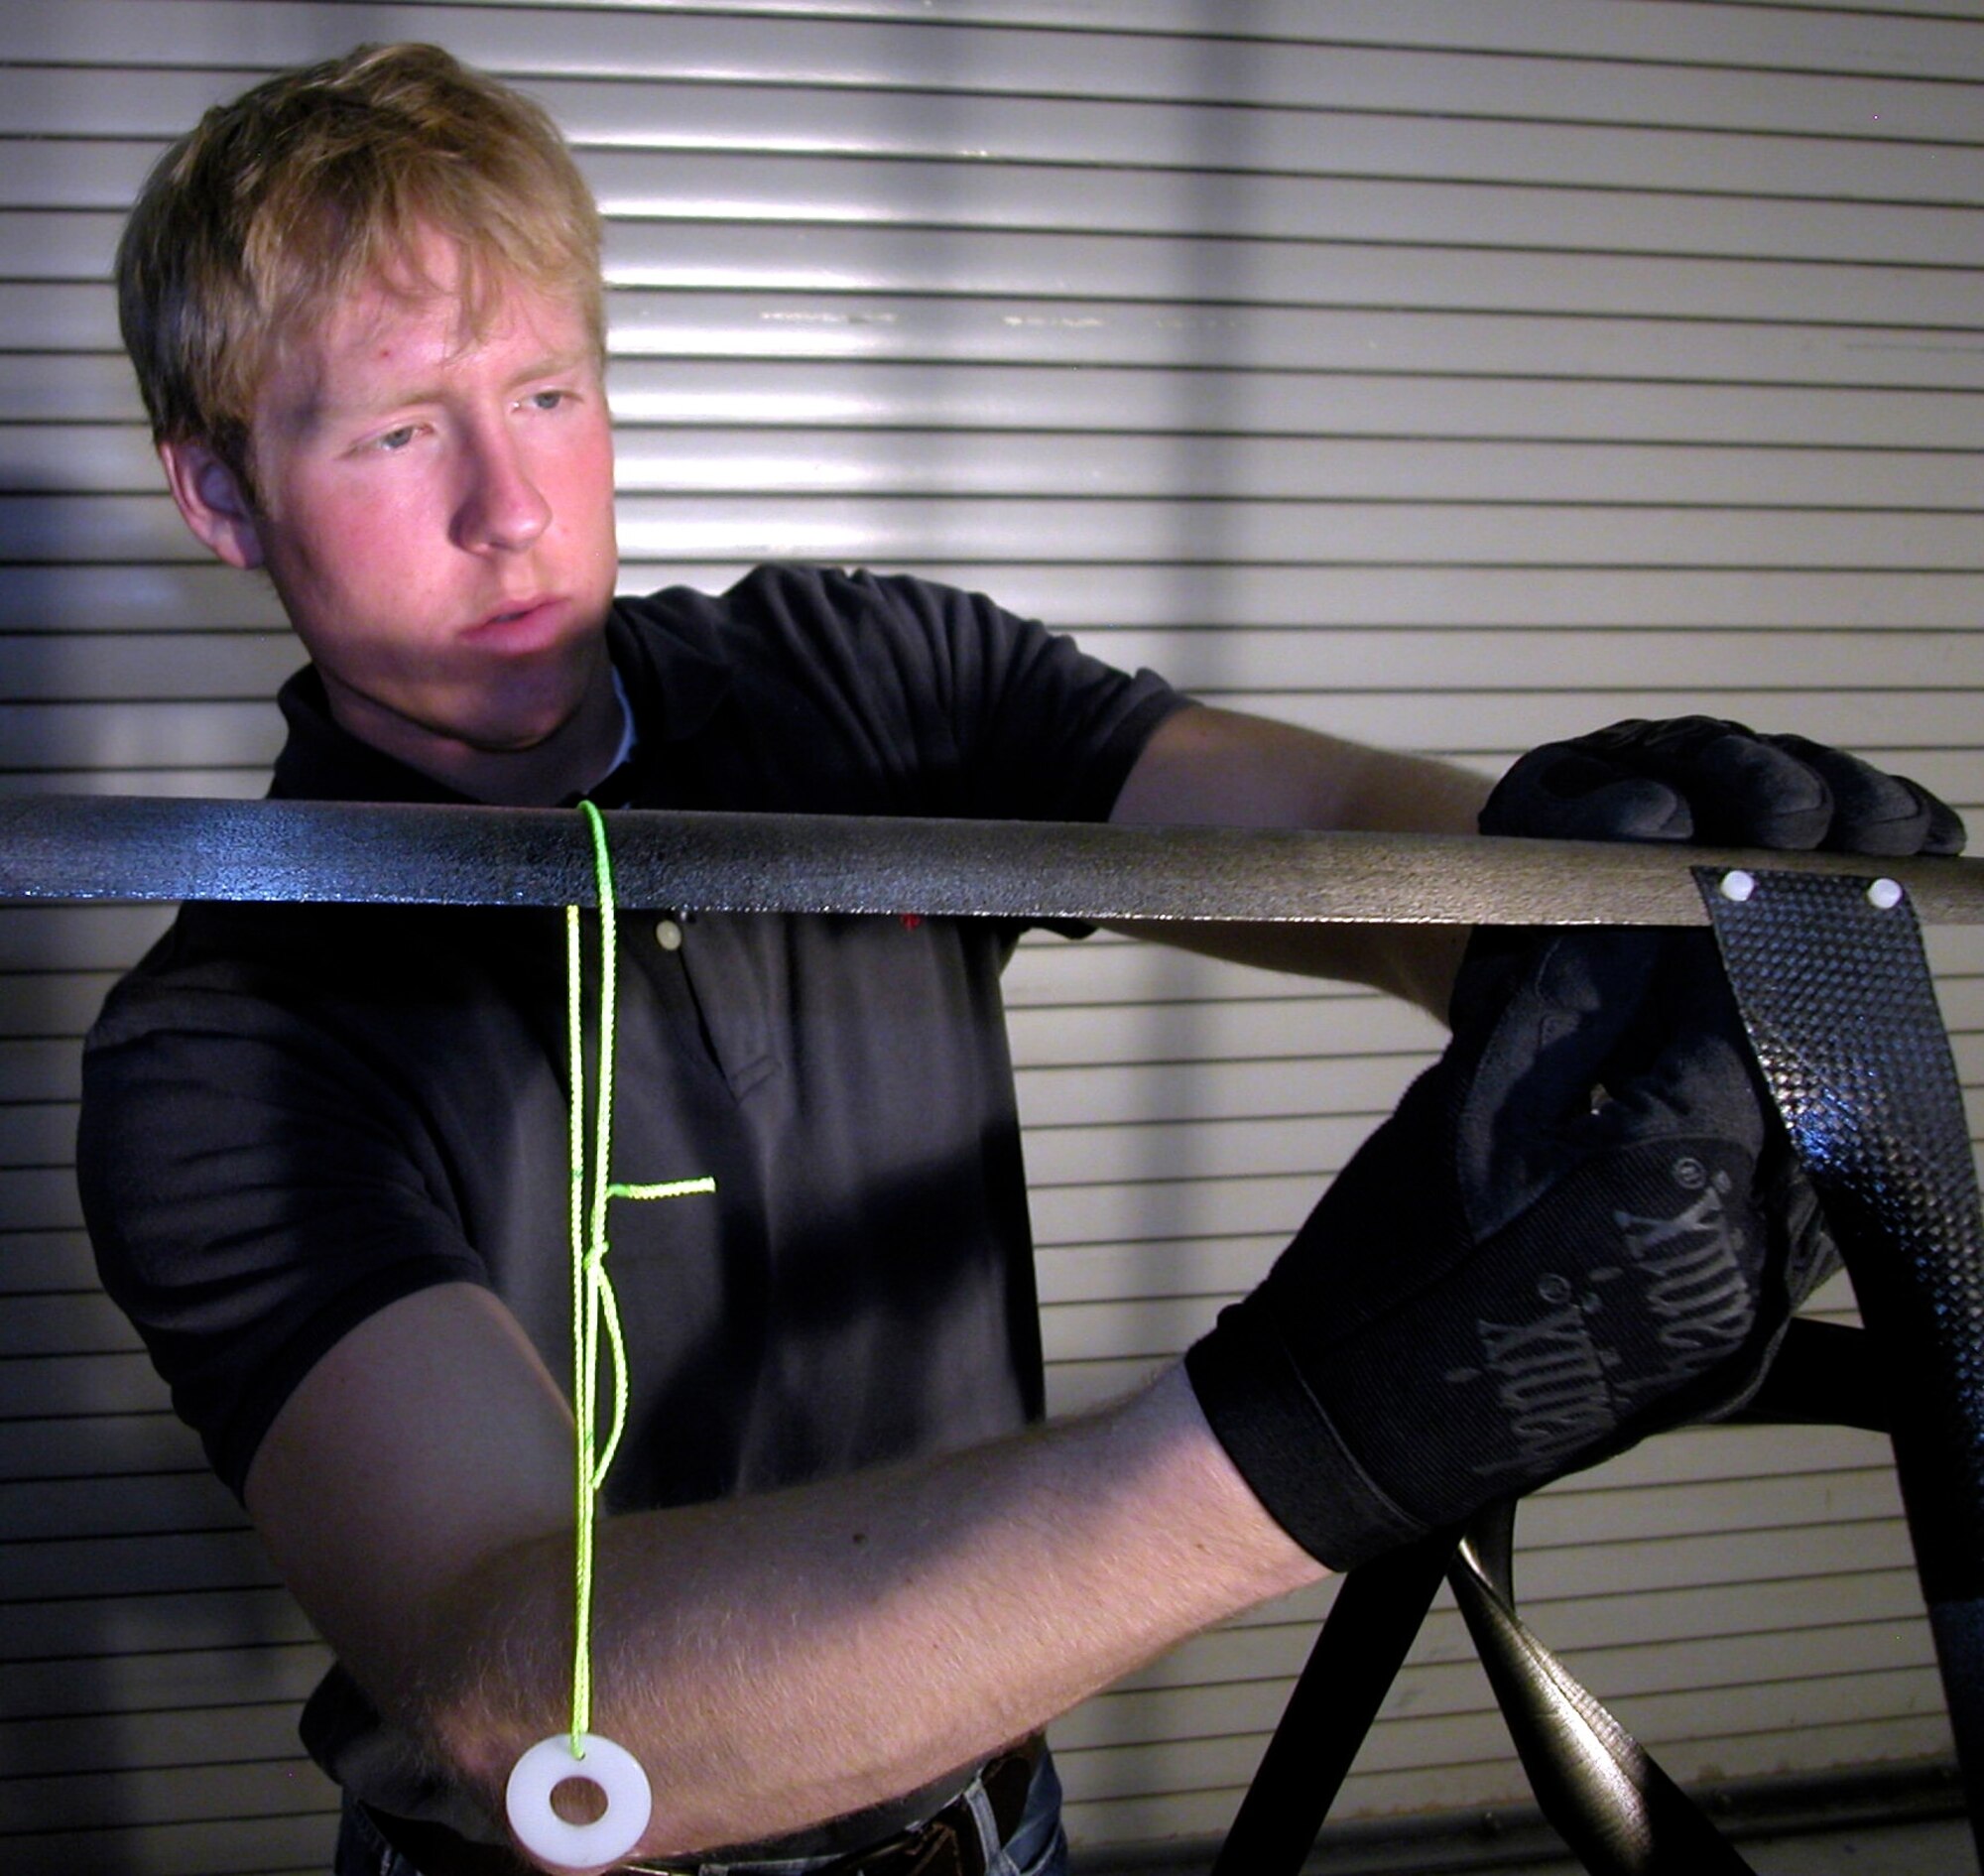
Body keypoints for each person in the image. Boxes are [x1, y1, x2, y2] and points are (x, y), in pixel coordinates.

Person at [76, 43, 1963, 1876]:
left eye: (552, 394)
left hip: (996, 1839)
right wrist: (1334, 1433)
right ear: (223, 497)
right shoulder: (225, 1047)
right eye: (403, 431)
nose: (515, 506)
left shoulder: (866, 683)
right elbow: (544, 1702)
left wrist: (1602, 916)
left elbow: (1332, 853)